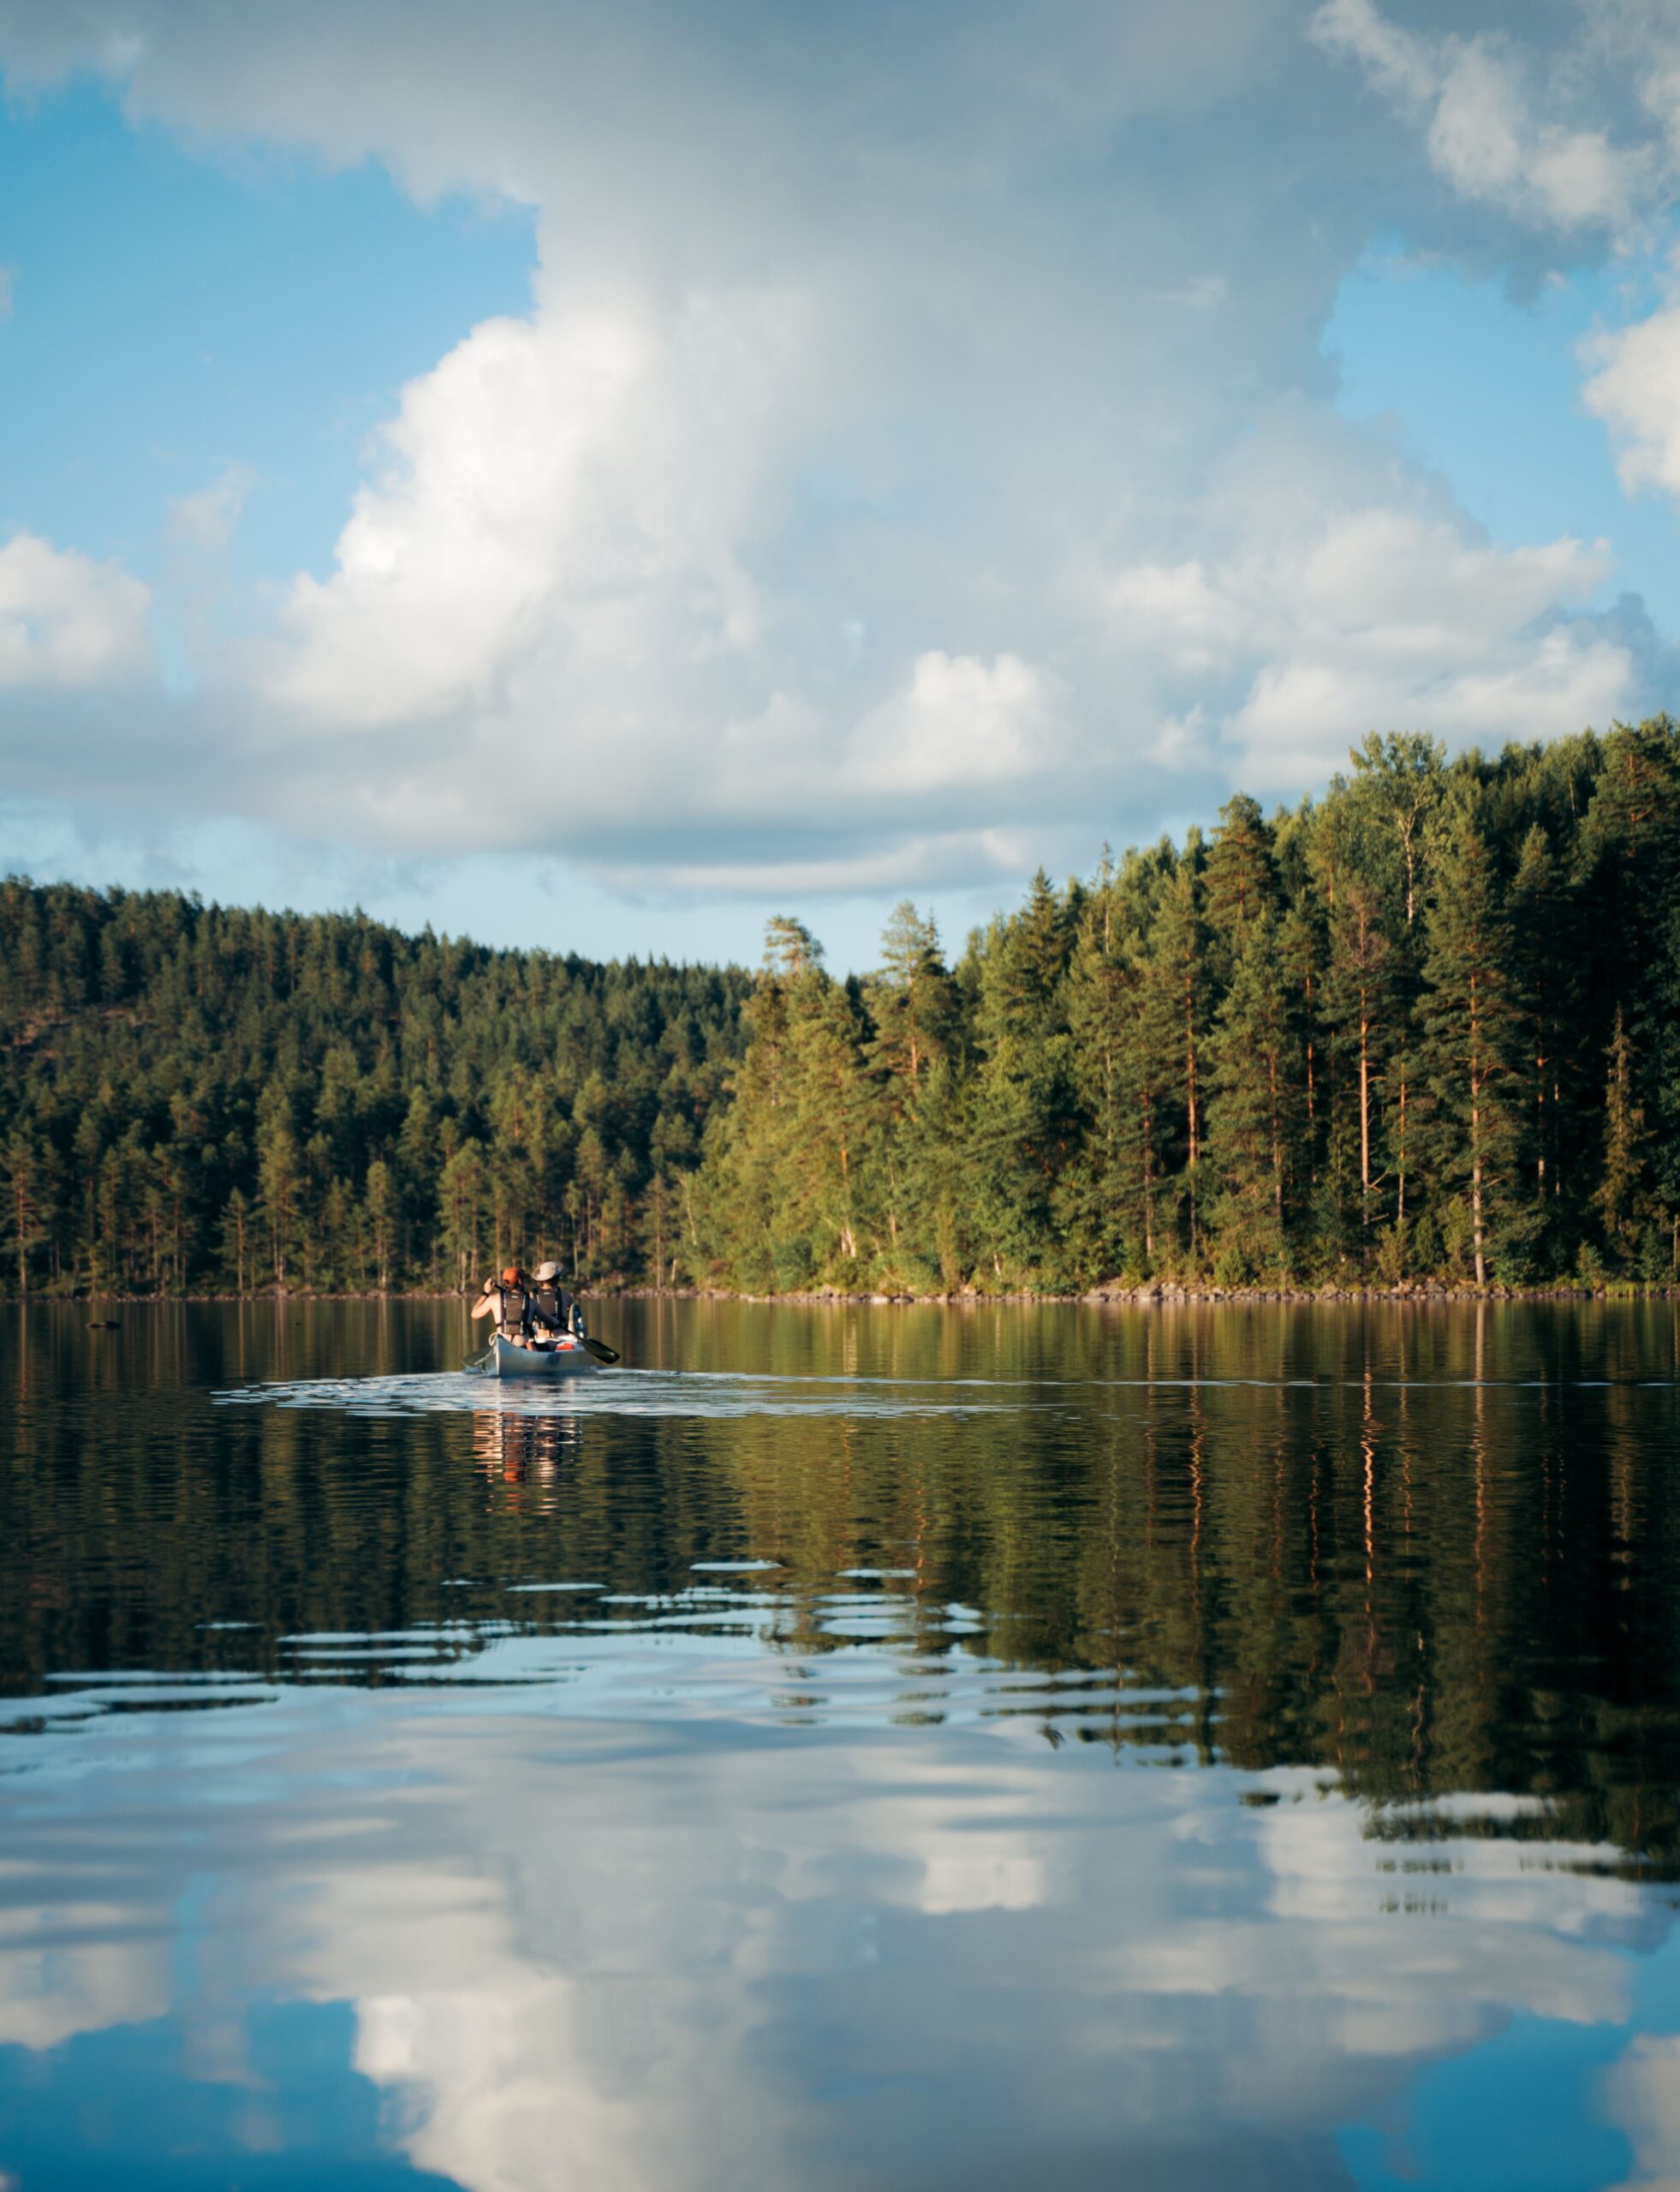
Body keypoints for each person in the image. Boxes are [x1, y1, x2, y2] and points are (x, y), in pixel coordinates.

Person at [471, 1266, 539, 1347]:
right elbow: (550, 1321)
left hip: (503, 1347)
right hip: (523, 1348)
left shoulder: (493, 1299)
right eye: (524, 1280)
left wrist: (486, 1293)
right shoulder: (531, 1301)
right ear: (520, 1281)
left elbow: (474, 1314)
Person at [531, 1260, 586, 1342]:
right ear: (557, 1278)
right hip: (561, 1338)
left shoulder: (531, 1296)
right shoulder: (566, 1296)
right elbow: (578, 1320)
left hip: (540, 1339)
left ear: (542, 1279)